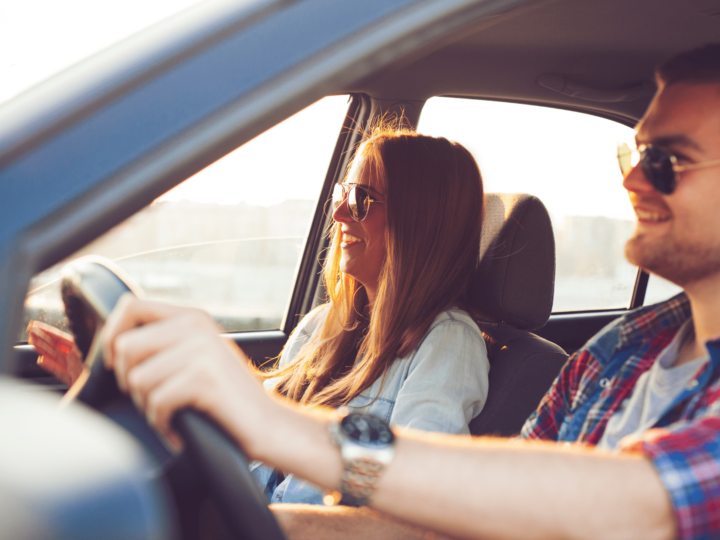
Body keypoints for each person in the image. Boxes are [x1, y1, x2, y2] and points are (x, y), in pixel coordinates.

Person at [100, 43, 720, 540]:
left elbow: (644, 503)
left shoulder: (452, 343)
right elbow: (485, 508)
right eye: (633, 154)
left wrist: (273, 424)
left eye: (668, 160)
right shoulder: (616, 351)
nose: (633, 180)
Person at [31, 127, 491, 505]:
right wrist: (123, 398)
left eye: (362, 200)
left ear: (418, 221)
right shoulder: (322, 327)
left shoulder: (447, 345)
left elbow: (417, 503)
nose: (338, 213)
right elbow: (240, 449)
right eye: (343, 193)